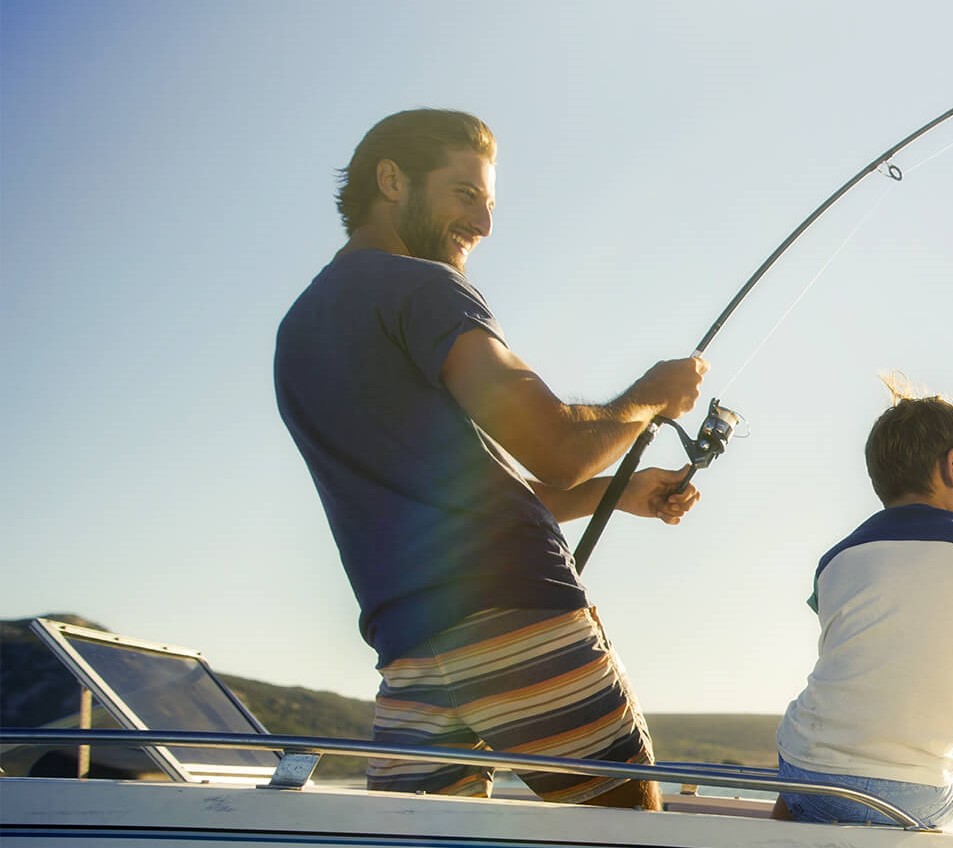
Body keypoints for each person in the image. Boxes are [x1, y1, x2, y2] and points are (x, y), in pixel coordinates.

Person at [274, 108, 705, 810]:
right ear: (392, 180)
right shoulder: (423, 289)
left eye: (490, 203)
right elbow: (558, 447)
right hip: (518, 617)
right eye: (465, 195)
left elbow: (443, 496)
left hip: (411, 657)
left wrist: (617, 493)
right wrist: (654, 396)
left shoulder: (296, 334)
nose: (484, 224)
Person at [775, 379, 953, 834]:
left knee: (806, 771)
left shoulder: (835, 560)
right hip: (912, 797)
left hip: (804, 775)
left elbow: (869, 692)